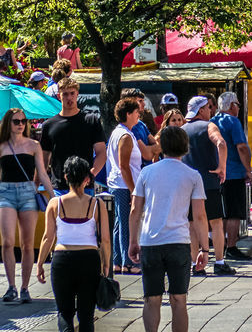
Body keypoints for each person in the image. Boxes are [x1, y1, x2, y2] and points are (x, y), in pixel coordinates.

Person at [128, 125, 207, 332]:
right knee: (179, 299)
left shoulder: (147, 172)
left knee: (151, 299)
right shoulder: (193, 176)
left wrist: (132, 241)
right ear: (184, 146)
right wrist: (204, 249)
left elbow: (135, 210)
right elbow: (199, 216)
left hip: (151, 242)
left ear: (161, 145)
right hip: (179, 242)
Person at [36, 158, 109, 332]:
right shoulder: (97, 205)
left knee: (64, 312)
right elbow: (105, 239)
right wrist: (106, 264)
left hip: (62, 260)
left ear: (66, 177)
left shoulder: (55, 204)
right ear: (87, 179)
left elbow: (48, 237)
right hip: (89, 259)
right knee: (86, 315)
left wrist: (39, 263)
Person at [0, 109, 54, 303]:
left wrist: (54, 196)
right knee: (7, 241)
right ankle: (11, 286)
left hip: (27, 192)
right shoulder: (2, 146)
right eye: (16, 121)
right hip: (5, 191)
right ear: (8, 123)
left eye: (23, 121)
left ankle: (24, 287)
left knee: (28, 243)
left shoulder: (34, 145)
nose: (21, 124)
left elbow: (42, 172)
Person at [181, 96, 233, 276]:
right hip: (208, 181)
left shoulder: (181, 130)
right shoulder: (209, 126)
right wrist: (222, 167)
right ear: (201, 110)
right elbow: (221, 143)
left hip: (187, 184)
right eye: (208, 107)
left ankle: (196, 263)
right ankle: (219, 262)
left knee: (192, 224)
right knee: (216, 222)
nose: (211, 111)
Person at [40, 76, 106, 192]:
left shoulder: (91, 120)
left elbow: (101, 153)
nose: (69, 98)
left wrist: (90, 175)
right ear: (59, 96)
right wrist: (38, 184)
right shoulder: (49, 125)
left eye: (72, 93)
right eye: (65, 94)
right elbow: (44, 160)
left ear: (77, 94)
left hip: (85, 186)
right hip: (59, 187)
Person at [106, 95, 144, 274]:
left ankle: (118, 260)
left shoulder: (119, 132)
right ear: (128, 114)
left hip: (118, 183)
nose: (139, 115)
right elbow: (124, 166)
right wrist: (133, 189)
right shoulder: (125, 136)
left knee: (119, 224)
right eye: (137, 112)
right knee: (127, 223)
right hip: (123, 185)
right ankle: (129, 262)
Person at [211, 92, 251, 259]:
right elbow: (241, 146)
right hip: (233, 171)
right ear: (232, 106)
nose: (239, 108)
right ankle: (232, 246)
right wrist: (248, 169)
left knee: (221, 212)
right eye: (238, 105)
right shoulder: (233, 121)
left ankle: (222, 244)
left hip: (215, 172)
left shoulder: (212, 121)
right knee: (234, 212)